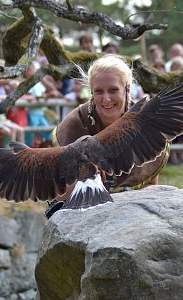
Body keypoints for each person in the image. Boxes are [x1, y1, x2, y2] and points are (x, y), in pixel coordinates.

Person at [46, 54, 170, 218]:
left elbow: (151, 190)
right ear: (91, 92)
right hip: (80, 217)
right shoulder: (73, 126)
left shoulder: (146, 123)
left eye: (113, 90)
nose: (106, 99)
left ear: (127, 89)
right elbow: (59, 193)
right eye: (99, 91)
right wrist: (85, 175)